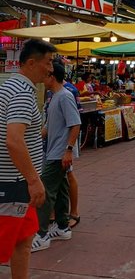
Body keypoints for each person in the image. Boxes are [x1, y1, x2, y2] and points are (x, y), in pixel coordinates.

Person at [0, 38, 55, 279]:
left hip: (17, 183)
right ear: (31, 63)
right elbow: (14, 140)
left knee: (23, 241)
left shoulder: (10, 86)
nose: (51, 69)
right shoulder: (22, 92)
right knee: (4, 243)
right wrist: (33, 180)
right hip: (13, 183)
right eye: (48, 62)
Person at [32, 59, 81, 252]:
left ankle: (41, 234)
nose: (43, 79)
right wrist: (34, 139)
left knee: (46, 190)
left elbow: (75, 124)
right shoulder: (54, 97)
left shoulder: (64, 96)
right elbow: (49, 127)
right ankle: (61, 227)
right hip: (55, 151)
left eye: (46, 75)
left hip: (59, 152)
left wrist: (68, 150)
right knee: (61, 190)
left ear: (52, 77)